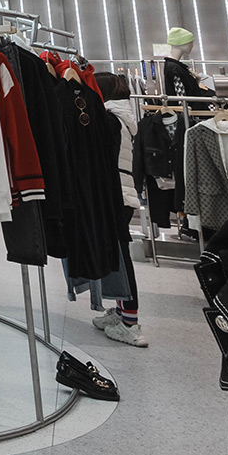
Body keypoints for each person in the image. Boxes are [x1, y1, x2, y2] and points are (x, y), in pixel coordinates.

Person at [89, 71, 146, 347]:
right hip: (121, 194)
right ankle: (123, 312)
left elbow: (104, 161)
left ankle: (130, 324)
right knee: (117, 255)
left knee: (121, 258)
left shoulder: (110, 120)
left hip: (115, 196)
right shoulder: (122, 118)